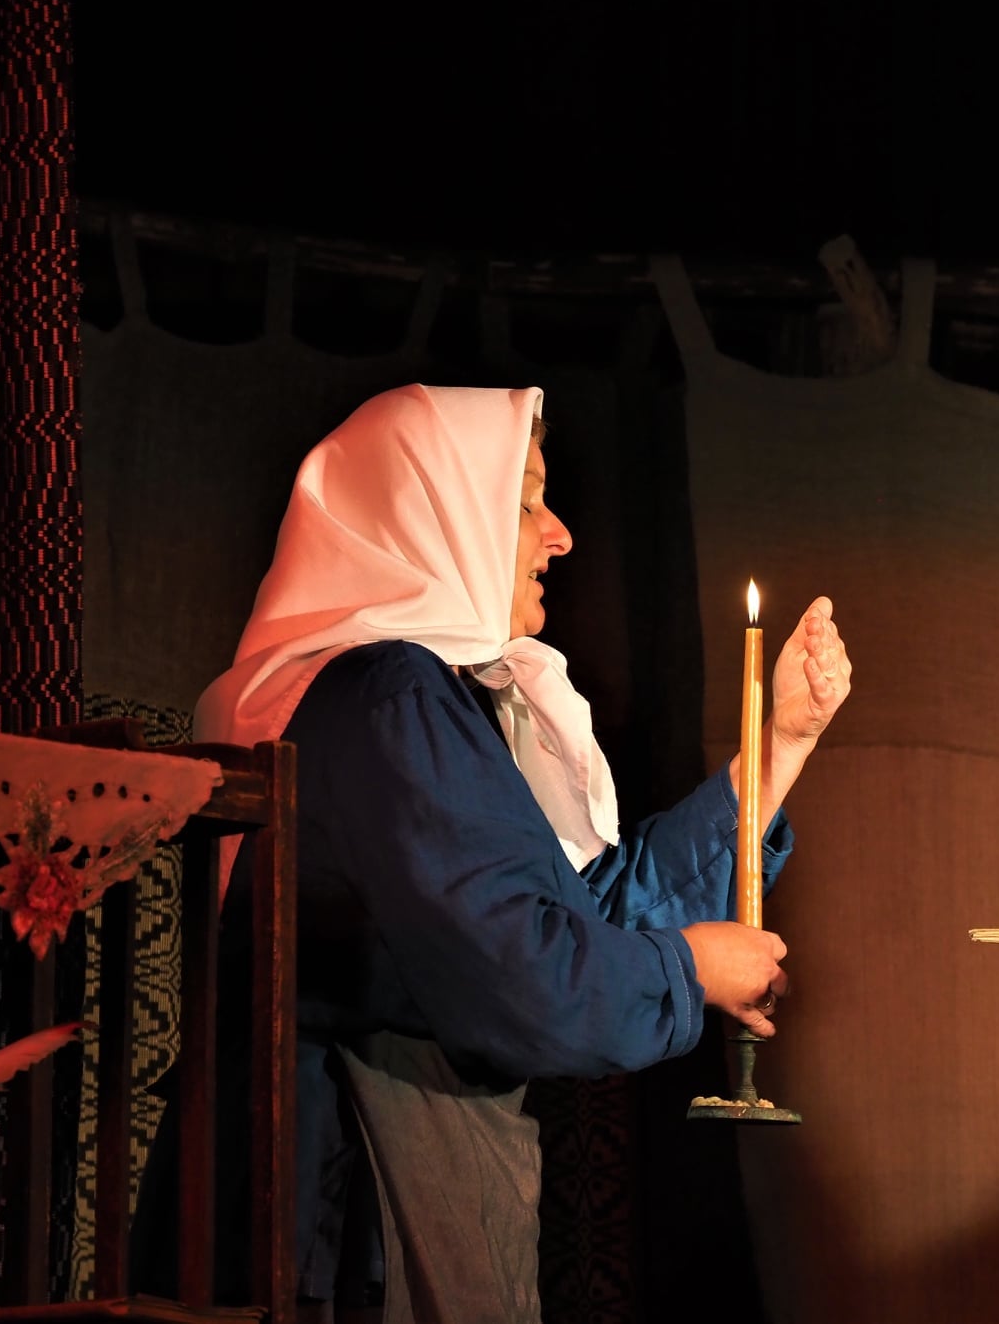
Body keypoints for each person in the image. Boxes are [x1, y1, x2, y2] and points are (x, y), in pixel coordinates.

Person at [192, 383, 851, 1321]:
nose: (560, 536)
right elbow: (528, 973)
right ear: (437, 512)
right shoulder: (389, 698)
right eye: (527, 501)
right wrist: (689, 968)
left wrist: (780, 744)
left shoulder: (398, 696)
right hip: (342, 1232)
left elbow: (582, 916)